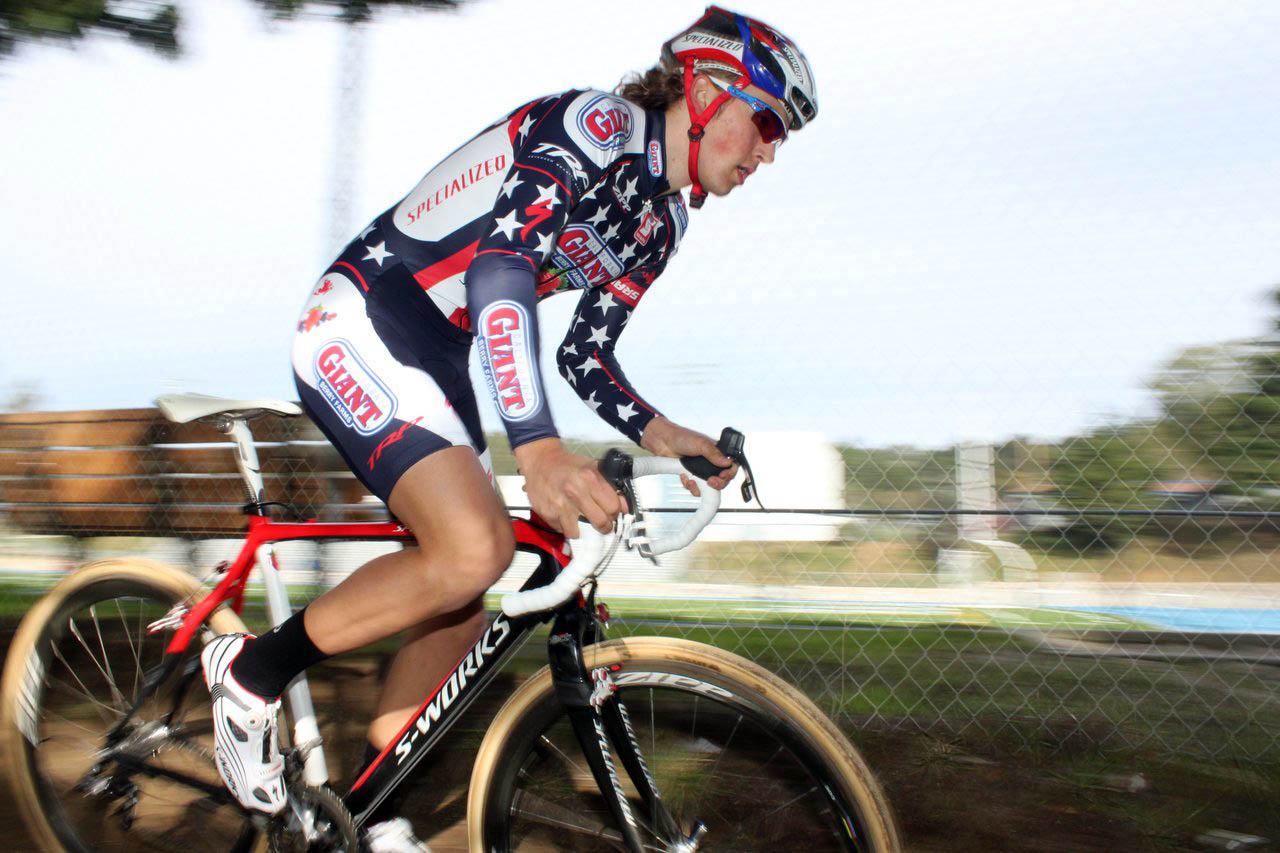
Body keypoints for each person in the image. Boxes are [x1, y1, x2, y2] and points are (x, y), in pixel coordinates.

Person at [202, 6, 817, 850]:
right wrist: (536, 446)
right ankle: (249, 671)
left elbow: (584, 356)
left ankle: (372, 811)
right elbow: (502, 267)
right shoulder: (595, 127)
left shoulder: (660, 222)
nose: (769, 152)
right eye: (768, 123)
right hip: (365, 316)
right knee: (473, 548)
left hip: (443, 353)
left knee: (463, 595)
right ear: (708, 92)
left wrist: (669, 434)